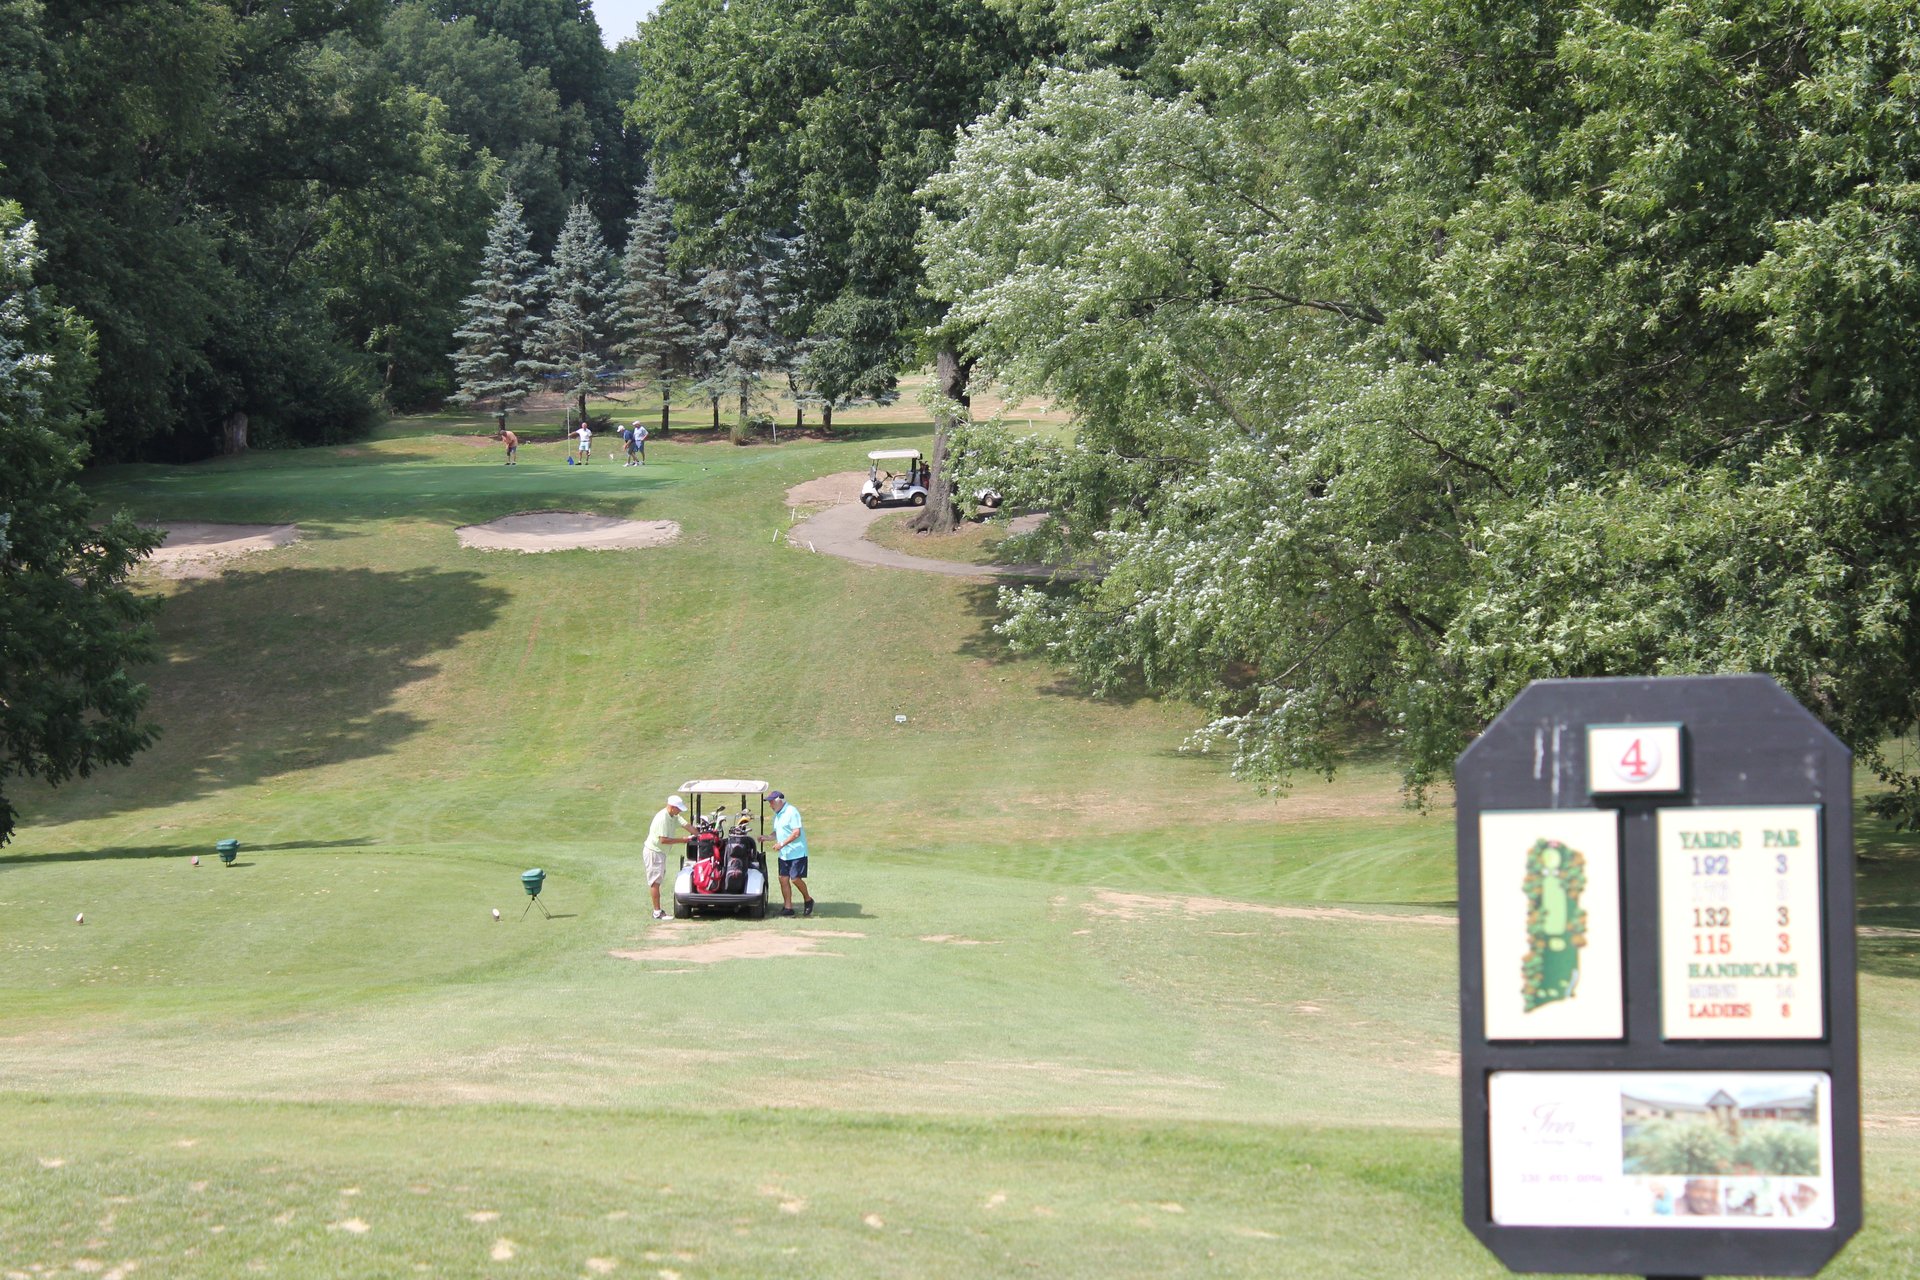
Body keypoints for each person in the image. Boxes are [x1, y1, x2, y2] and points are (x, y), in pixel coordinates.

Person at [642, 794, 693, 920]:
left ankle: (657, 911)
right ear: (672, 807)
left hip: (660, 852)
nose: (680, 811)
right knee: (655, 882)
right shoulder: (662, 818)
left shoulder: (673, 816)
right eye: (678, 808)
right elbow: (663, 840)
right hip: (654, 852)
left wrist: (701, 834)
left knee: (658, 880)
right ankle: (657, 912)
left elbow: (687, 825)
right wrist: (683, 840)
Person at [767, 789, 813, 917]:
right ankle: (788, 908)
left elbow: (796, 833)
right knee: (783, 879)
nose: (770, 805)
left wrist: (781, 844)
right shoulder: (778, 814)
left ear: (779, 802)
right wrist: (767, 837)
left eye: (771, 803)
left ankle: (808, 900)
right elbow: (777, 832)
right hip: (785, 854)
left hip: (796, 852)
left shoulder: (792, 811)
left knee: (795, 879)